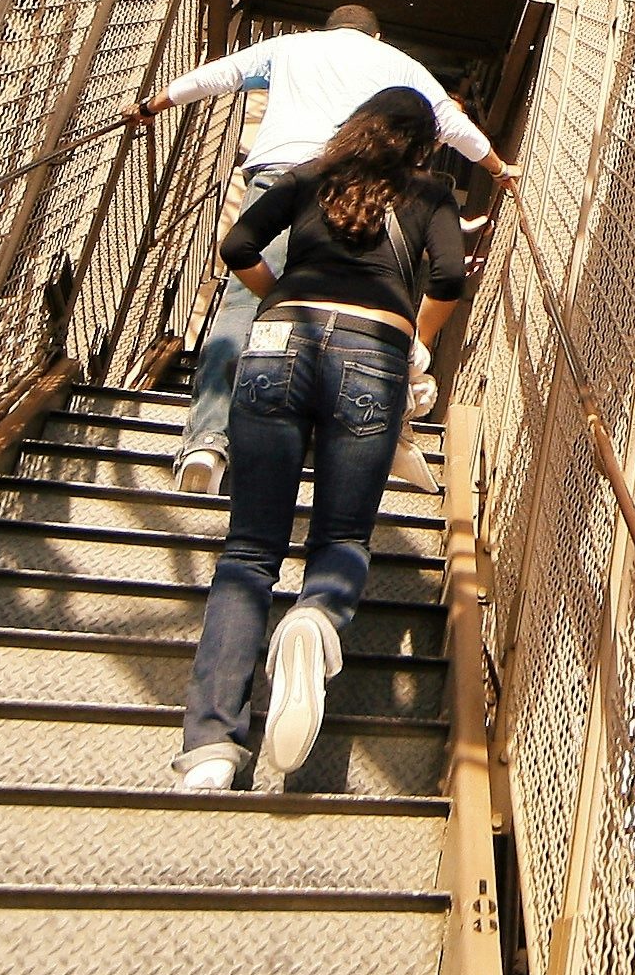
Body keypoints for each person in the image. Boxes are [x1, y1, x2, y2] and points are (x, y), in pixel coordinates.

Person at [174, 87, 460, 790]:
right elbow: (449, 274)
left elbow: (237, 242)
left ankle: (212, 748)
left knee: (248, 550)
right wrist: (413, 341)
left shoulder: (309, 175)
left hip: (280, 340)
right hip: (374, 351)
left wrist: (276, 292)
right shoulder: (433, 190)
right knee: (339, 540)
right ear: (422, 143)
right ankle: (317, 617)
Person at [126, 4, 517, 493]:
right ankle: (345, 430)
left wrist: (151, 107)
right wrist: (499, 169)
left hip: (279, 177)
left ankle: (207, 442)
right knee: (352, 300)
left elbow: (215, 76)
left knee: (241, 305)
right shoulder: (399, 63)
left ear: (324, 29)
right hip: (357, 187)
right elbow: (452, 126)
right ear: (376, 36)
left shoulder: (288, 47)